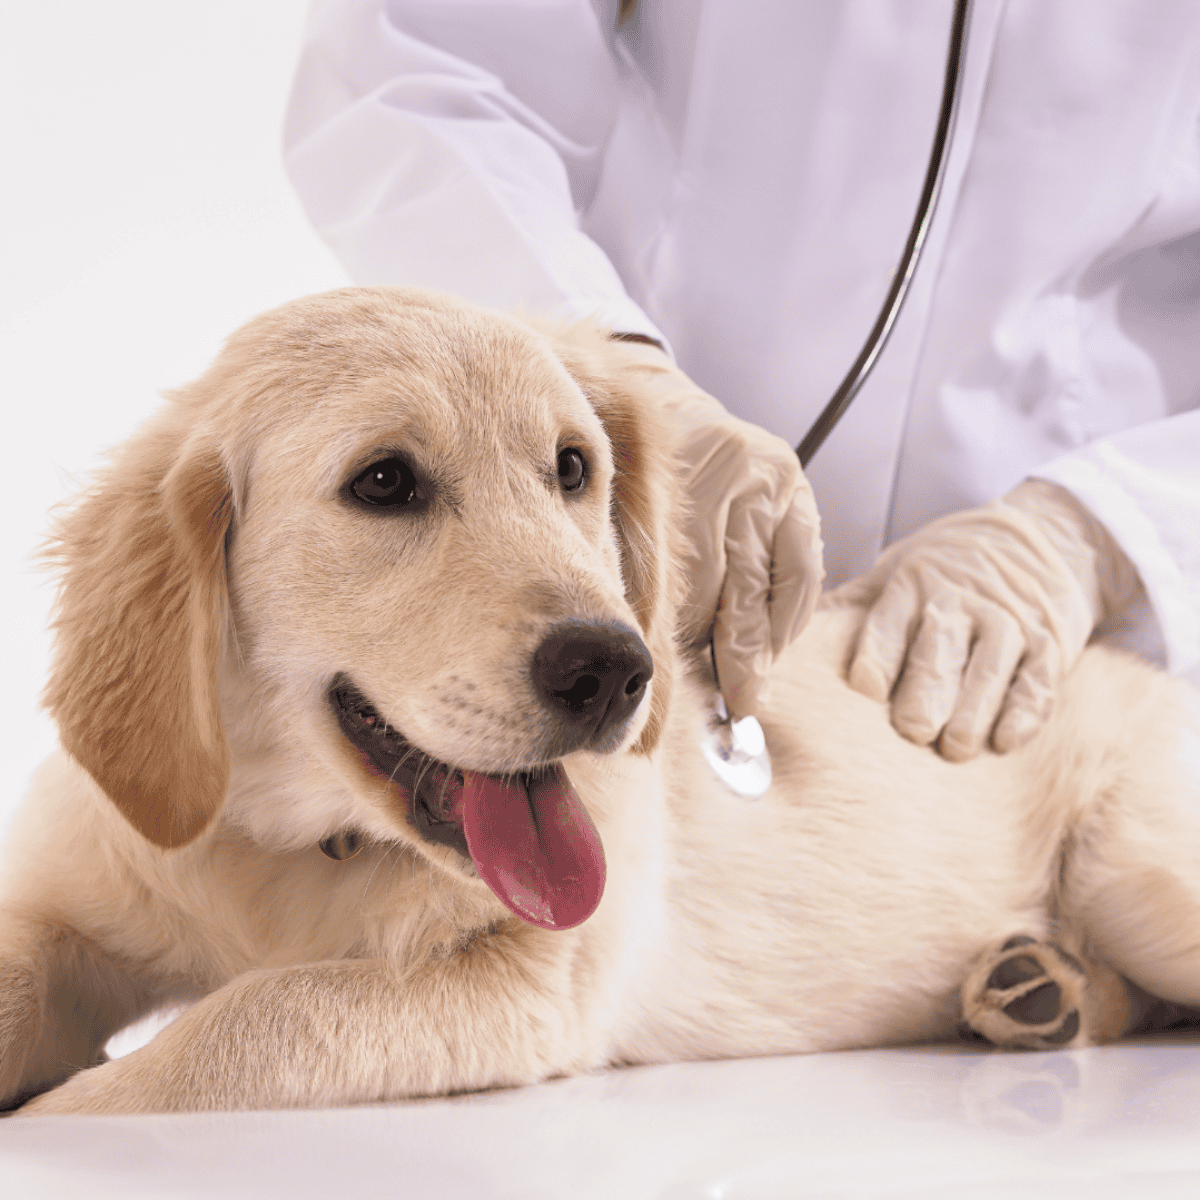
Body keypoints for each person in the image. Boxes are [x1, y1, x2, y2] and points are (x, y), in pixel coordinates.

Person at [283, 0, 1200, 760]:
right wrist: (601, 370)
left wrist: (1095, 536)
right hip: (617, 568)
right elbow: (421, 73)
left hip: (1089, 652)